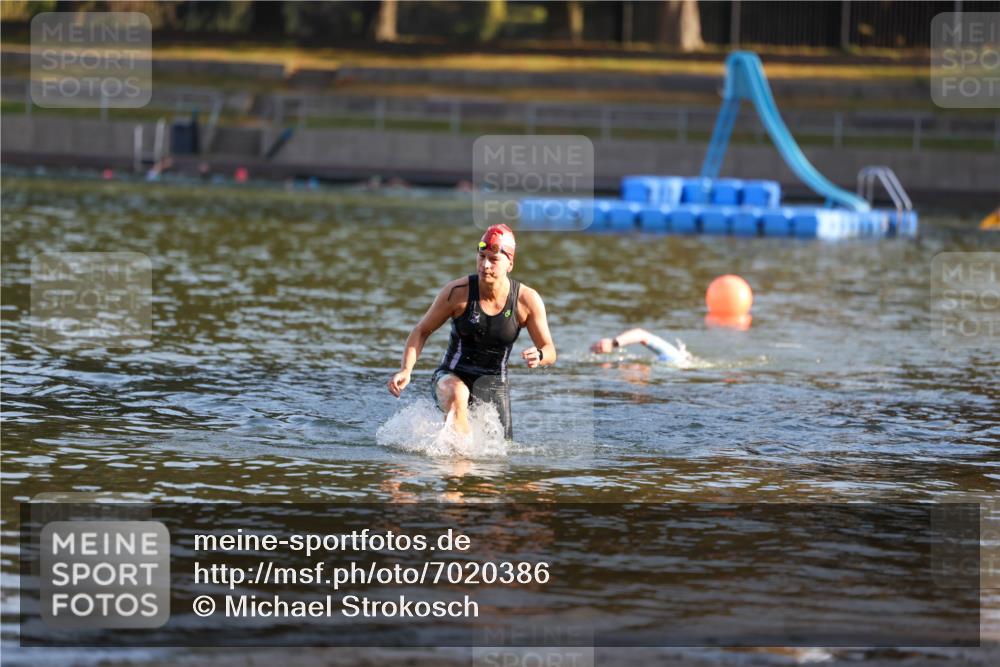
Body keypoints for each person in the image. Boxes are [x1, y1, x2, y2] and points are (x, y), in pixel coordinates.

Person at [387, 224, 556, 440]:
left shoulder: (527, 300)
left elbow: (550, 350)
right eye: (481, 256)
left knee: (499, 457)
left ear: (510, 264)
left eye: (493, 259)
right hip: (452, 376)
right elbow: (421, 330)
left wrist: (540, 355)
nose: (485, 265)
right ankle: (458, 466)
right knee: (459, 394)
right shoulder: (457, 292)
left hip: (494, 384)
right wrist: (406, 370)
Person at [590, 328, 692, 366]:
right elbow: (641, 334)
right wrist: (613, 343)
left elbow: (641, 334)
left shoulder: (675, 359)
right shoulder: (674, 358)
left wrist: (613, 343)